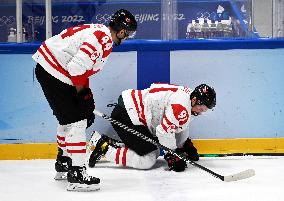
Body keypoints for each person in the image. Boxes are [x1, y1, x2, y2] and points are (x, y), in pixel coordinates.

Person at [33, 9, 137, 191]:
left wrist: (86, 96)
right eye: (128, 34)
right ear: (121, 31)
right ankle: (77, 173)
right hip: (55, 73)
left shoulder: (100, 32)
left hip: (52, 70)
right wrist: (83, 96)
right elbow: (76, 68)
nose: (127, 37)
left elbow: (82, 69)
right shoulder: (103, 40)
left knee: (68, 120)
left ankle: (64, 162)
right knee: (77, 121)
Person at [88, 83, 216, 172]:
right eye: (201, 108)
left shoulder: (187, 97)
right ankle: (103, 147)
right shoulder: (181, 106)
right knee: (147, 160)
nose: (202, 112)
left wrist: (183, 144)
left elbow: (180, 125)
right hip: (127, 115)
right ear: (194, 100)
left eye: (205, 109)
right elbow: (163, 131)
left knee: (153, 150)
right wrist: (172, 154)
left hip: (132, 112)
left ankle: (111, 145)